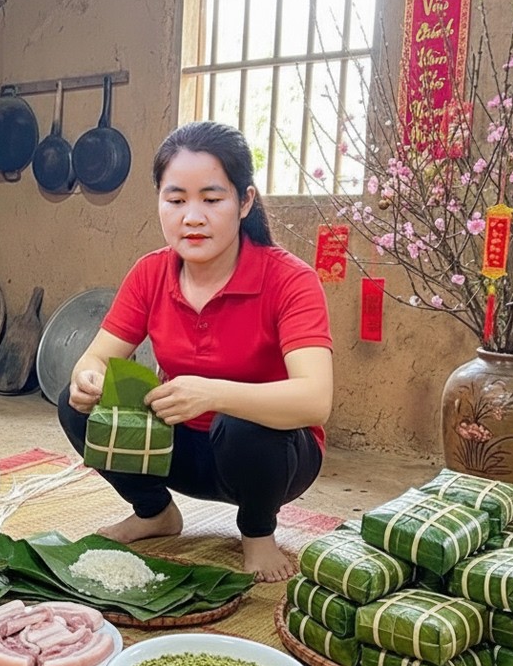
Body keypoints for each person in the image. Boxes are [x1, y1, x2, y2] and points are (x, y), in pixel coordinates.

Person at [57, 121, 334, 583]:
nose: (192, 216)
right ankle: (155, 513)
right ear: (159, 202)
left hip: (270, 459)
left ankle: (258, 533)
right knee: (76, 407)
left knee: (243, 422)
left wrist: (213, 394)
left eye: (211, 199)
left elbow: (314, 400)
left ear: (244, 201)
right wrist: (88, 380)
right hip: (176, 447)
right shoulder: (150, 273)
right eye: (176, 199)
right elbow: (96, 358)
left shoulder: (290, 279)